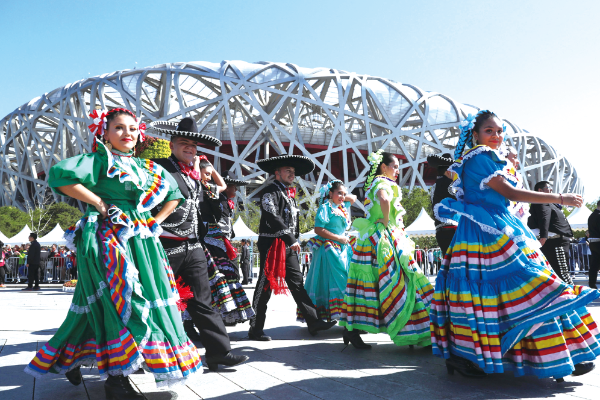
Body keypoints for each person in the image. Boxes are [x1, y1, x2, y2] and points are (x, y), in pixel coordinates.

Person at [25, 108, 203, 398]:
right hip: (106, 237)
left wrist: (154, 222)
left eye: (132, 128)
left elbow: (175, 194)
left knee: (129, 298)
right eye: (119, 128)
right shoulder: (98, 160)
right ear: (105, 133)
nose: (127, 133)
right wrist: (98, 203)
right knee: (118, 299)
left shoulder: (146, 167)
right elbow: (59, 175)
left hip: (141, 239)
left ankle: (73, 357)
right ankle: (116, 380)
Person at [431, 110, 599, 380]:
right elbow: (509, 192)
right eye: (489, 131)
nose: (496, 136)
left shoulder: (487, 158)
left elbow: (506, 196)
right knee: (529, 285)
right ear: (475, 135)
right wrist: (559, 198)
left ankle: (559, 352)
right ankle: (547, 353)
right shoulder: (479, 158)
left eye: (499, 131)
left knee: (510, 293)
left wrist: (512, 167)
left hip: (498, 226)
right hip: (485, 233)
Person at [149, 117, 248, 371]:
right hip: (165, 246)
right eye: (184, 143)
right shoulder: (158, 168)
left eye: (193, 145)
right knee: (153, 299)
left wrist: (209, 181)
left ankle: (219, 352)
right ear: (171, 145)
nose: (190, 148)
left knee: (203, 301)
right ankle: (133, 353)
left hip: (194, 246)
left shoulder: (195, 174)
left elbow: (216, 197)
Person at [340, 150, 434, 347]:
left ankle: (353, 329)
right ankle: (412, 329)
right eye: (395, 167)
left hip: (377, 237)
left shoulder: (376, 183)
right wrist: (385, 219)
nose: (398, 171)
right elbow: (384, 199)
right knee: (400, 278)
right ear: (383, 167)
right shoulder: (382, 182)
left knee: (370, 283)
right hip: (383, 237)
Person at [249, 155, 337, 341]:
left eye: (293, 171)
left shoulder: (289, 194)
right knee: (265, 286)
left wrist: (292, 239)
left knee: (297, 283)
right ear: (277, 173)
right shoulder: (269, 192)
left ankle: (313, 321)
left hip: (287, 246)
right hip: (272, 245)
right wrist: (290, 238)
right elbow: (272, 216)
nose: (292, 174)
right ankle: (255, 328)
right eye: (288, 170)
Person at [299, 180, 369, 348]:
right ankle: (344, 323)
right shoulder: (325, 207)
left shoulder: (341, 206)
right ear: (330, 193)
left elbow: (353, 198)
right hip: (329, 249)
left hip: (343, 249)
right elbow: (318, 229)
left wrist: (342, 196)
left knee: (346, 281)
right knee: (339, 282)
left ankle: (349, 322)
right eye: (339, 193)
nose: (342, 196)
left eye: (344, 193)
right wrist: (338, 237)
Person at [199, 166, 254, 325]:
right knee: (221, 276)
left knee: (227, 275)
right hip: (213, 242)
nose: (236, 190)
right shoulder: (213, 195)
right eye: (234, 186)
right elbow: (218, 220)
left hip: (220, 241)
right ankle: (224, 314)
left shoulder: (220, 198)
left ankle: (228, 314)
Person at [528, 181, 575, 284]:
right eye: (548, 187)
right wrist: (543, 236)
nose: (551, 189)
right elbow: (544, 217)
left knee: (560, 273)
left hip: (557, 240)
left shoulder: (548, 202)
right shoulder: (541, 200)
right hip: (554, 241)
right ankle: (570, 292)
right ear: (540, 190)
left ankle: (566, 292)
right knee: (562, 273)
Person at [428, 153, 458, 256]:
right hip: (452, 229)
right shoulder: (452, 185)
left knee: (448, 259)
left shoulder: (434, 186)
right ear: (449, 171)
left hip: (440, 230)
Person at [589, 204, 600, 289]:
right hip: (598, 241)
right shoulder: (599, 215)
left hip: (593, 242)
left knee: (594, 265)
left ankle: (592, 284)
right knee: (595, 264)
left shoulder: (591, 215)